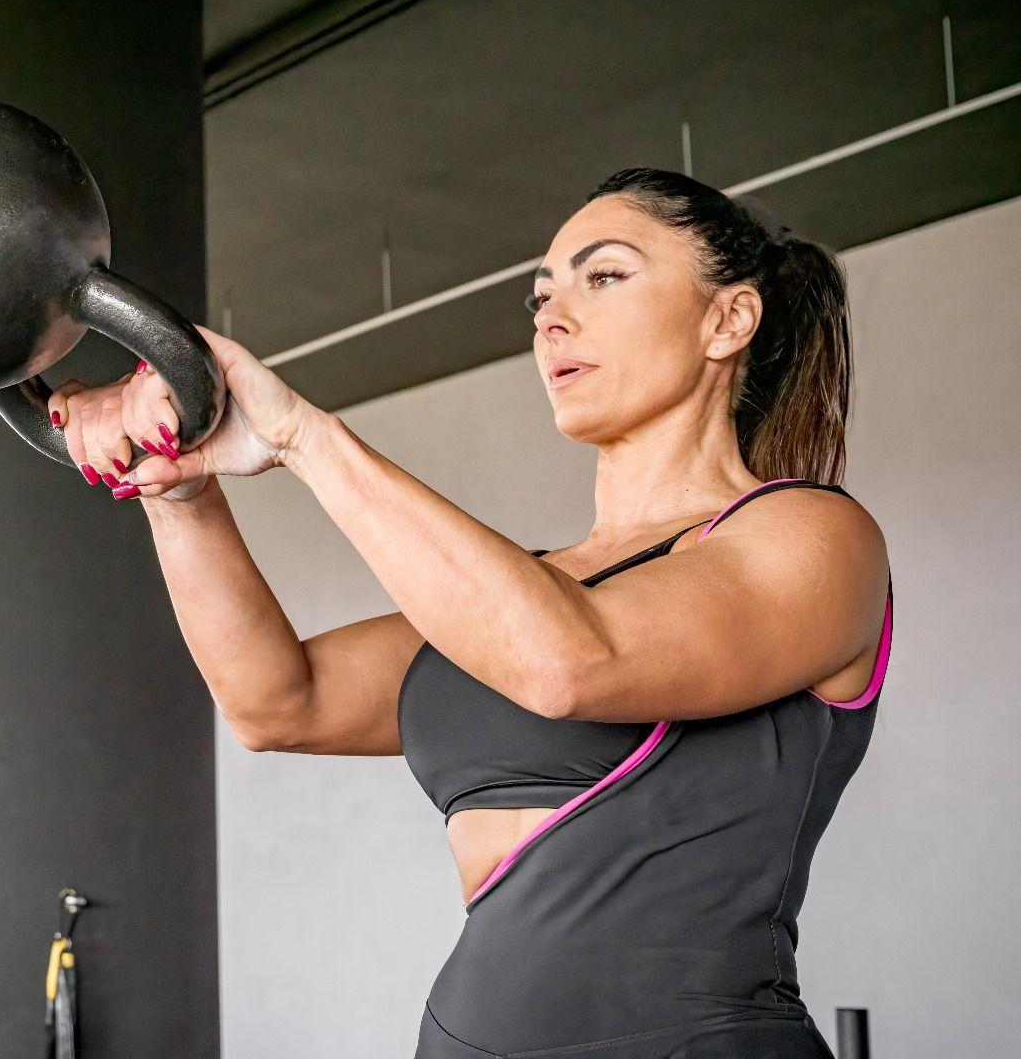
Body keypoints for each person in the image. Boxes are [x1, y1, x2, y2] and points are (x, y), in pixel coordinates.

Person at [48, 167, 892, 1058]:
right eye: (541, 296)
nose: (552, 317)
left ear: (729, 320)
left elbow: (573, 665)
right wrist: (179, 493)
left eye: (602, 276)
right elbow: (275, 702)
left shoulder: (815, 538)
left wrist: (303, 434)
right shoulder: (519, 593)